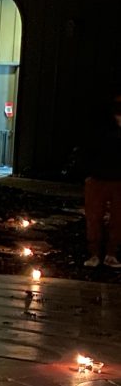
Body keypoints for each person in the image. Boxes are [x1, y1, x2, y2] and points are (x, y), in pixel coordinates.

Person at [83, 95, 121, 268]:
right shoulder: (101, 124)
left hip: (114, 178)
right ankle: (96, 254)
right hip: (99, 176)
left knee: (117, 218)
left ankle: (109, 254)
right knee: (94, 217)